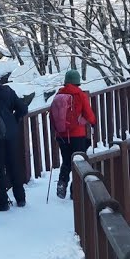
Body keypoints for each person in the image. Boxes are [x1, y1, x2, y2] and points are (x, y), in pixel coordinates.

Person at [51, 68, 96, 199]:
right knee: (78, 162)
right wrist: (93, 122)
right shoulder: (80, 94)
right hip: (78, 135)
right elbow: (89, 114)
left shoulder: (58, 95)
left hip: (62, 135)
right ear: (77, 82)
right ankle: (74, 190)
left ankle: (62, 181)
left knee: (66, 160)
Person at [0, 73, 28, 207]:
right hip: (11, 133)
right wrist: (14, 119)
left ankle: (2, 199)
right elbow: (23, 108)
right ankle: (20, 198)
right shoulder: (8, 91)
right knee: (13, 164)